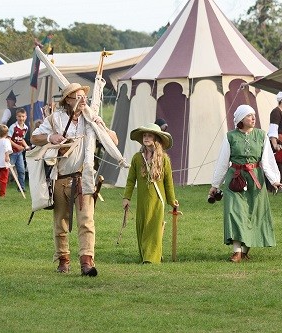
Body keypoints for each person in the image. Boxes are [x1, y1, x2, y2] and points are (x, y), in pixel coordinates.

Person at [31, 82, 118, 276]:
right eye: (78, 97)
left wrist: (101, 126)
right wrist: (51, 137)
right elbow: (34, 138)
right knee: (60, 221)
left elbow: (114, 141)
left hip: (84, 179)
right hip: (61, 177)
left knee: (87, 220)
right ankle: (63, 260)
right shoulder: (55, 119)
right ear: (68, 100)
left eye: (84, 97)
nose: (83, 100)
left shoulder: (90, 117)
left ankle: (87, 262)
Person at [209, 105, 282, 263]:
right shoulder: (230, 136)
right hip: (235, 178)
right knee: (234, 212)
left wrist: (274, 180)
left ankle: (245, 250)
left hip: (254, 178)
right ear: (240, 119)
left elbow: (267, 160)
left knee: (252, 213)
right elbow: (223, 162)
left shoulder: (261, 135)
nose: (253, 118)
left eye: (254, 115)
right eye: (249, 116)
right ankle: (236, 251)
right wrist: (215, 184)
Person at [122, 123, 178, 264]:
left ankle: (150, 258)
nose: (146, 138)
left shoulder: (164, 159)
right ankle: (147, 255)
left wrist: (172, 201)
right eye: (145, 135)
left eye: (149, 135)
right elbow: (130, 180)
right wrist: (126, 197)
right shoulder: (136, 158)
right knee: (142, 227)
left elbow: (168, 182)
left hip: (157, 200)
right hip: (142, 200)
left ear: (156, 138)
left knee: (154, 229)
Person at [8, 108, 29, 192]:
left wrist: (26, 146)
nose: (21, 118)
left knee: (21, 170)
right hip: (12, 152)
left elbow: (22, 139)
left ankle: (21, 187)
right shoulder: (13, 127)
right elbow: (8, 139)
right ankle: (1, 185)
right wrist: (17, 146)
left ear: (26, 117)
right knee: (8, 170)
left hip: (19, 153)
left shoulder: (26, 128)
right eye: (19, 116)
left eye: (23, 116)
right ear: (16, 117)